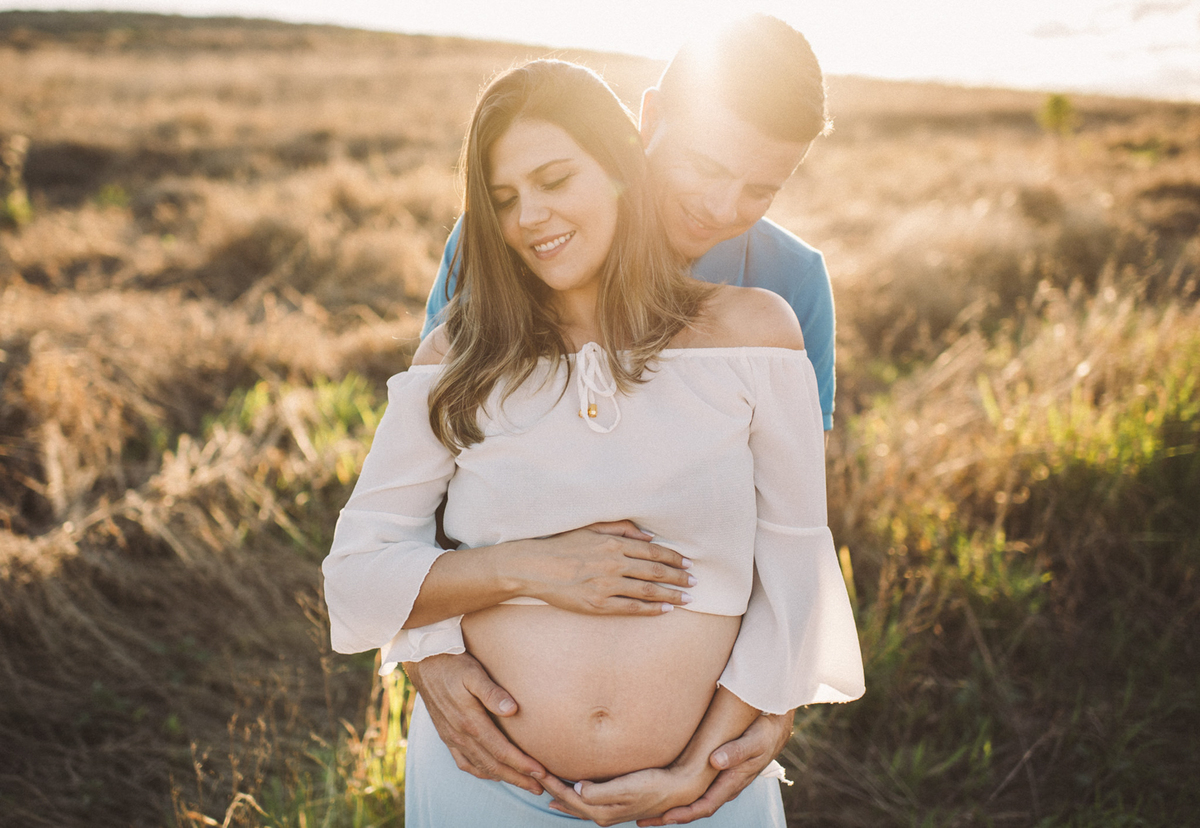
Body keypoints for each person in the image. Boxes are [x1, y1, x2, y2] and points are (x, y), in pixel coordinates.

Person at [324, 58, 863, 826]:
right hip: (492, 781)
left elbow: (792, 541)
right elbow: (407, 518)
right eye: (707, 165)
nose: (720, 206)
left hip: (698, 788)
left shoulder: (779, 299)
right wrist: (435, 650)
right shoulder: (490, 274)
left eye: (759, 187)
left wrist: (763, 715)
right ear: (642, 129)